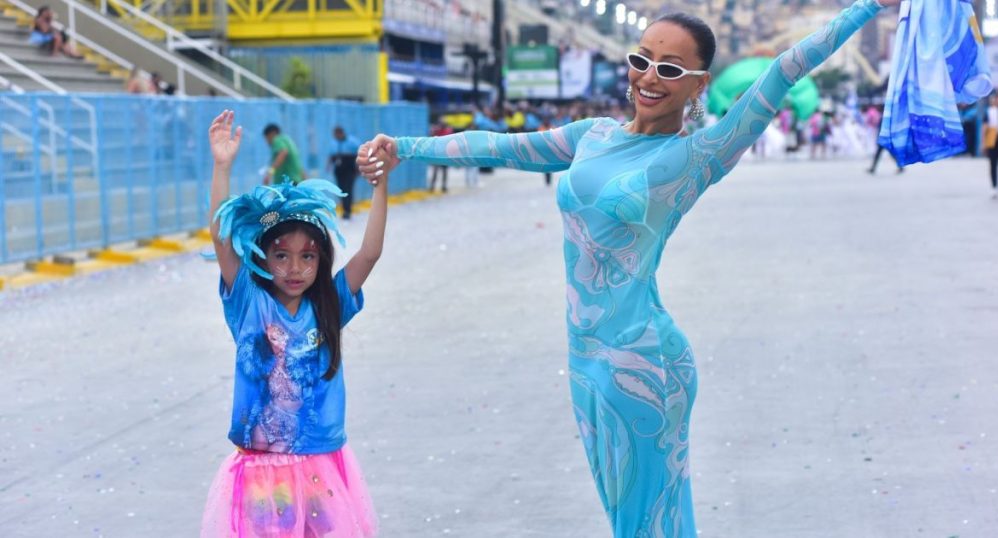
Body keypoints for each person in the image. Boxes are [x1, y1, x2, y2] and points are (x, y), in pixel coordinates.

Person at [359, 1, 898, 536]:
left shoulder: (699, 155)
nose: (649, 77)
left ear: (699, 85)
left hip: (643, 362)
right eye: (642, 60)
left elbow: (784, 70)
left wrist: (869, 6)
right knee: (631, 520)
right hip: (587, 359)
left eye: (670, 69)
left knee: (646, 526)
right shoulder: (592, 136)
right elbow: (501, 147)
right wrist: (405, 147)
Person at [200, 109, 393, 537]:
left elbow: (370, 253)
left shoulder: (330, 303)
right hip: (261, 467)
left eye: (308, 256)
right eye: (281, 255)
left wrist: (380, 187)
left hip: (320, 461)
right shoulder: (249, 302)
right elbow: (220, 239)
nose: (295, 268)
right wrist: (221, 166)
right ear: (263, 258)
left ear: (321, 260)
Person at [328, 125, 361, 219]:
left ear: (341, 133)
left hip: (349, 168)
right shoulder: (334, 143)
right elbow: (331, 155)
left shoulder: (352, 142)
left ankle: (348, 210)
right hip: (339, 169)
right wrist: (329, 166)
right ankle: (344, 208)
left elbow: (359, 154)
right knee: (341, 190)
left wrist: (359, 167)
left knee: (348, 189)